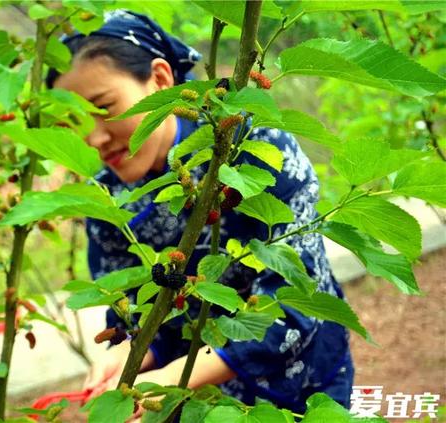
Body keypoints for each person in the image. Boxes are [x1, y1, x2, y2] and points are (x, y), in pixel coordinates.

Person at [46, 10, 354, 416]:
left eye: (104, 107)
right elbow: (129, 305)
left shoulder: (254, 149)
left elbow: (296, 298)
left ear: (159, 79)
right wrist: (125, 354)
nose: (94, 138)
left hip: (298, 386)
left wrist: (176, 377)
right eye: (73, 124)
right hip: (196, 403)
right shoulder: (108, 197)